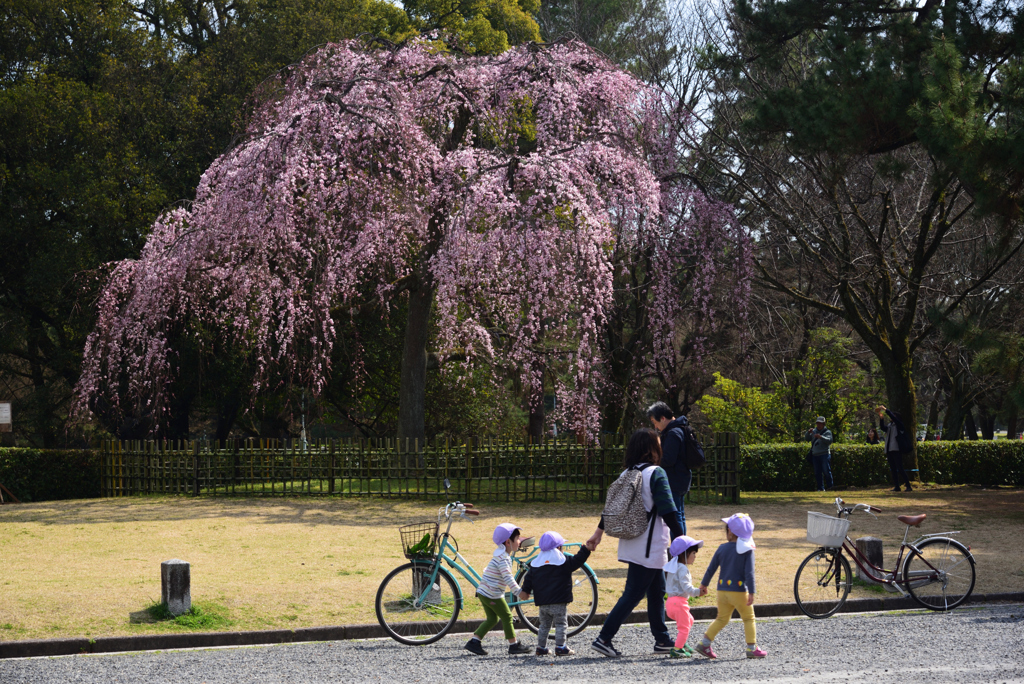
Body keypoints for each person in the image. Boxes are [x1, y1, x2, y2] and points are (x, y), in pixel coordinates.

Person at [586, 428, 685, 658]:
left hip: (631, 542)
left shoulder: (626, 473)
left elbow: (610, 509)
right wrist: (682, 540)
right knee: (633, 593)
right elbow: (669, 511)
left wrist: (598, 533)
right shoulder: (656, 473)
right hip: (650, 546)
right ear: (652, 448)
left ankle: (661, 639)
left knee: (656, 589)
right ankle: (604, 638)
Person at [695, 513, 767, 659]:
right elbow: (750, 573)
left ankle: (705, 643)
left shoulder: (722, 548)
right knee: (748, 618)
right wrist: (752, 592)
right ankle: (752, 648)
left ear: (730, 532)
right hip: (739, 592)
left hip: (722, 591)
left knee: (722, 618)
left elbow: (711, 568)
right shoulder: (748, 550)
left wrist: (704, 584)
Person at [518, 530, 592, 656]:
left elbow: (528, 579)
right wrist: (585, 550)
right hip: (559, 601)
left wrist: (525, 591)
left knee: (544, 626)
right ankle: (560, 646)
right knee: (561, 624)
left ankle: (541, 648)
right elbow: (578, 560)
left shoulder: (536, 564)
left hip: (543, 603)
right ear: (558, 547)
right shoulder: (563, 561)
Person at [464, 523, 533, 656]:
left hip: (485, 592)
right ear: (508, 542)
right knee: (507, 616)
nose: (519, 541)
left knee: (492, 619)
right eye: (517, 539)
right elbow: (508, 578)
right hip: (492, 594)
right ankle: (513, 645)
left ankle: (474, 642)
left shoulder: (502, 556)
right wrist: (519, 592)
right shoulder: (503, 559)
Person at [646, 401, 692, 533]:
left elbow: (668, 460)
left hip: (675, 479)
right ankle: (683, 549)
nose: (655, 426)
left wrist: (653, 458)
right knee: (680, 515)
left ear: (662, 418)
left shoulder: (673, 433)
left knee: (675, 517)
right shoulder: (680, 428)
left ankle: (680, 550)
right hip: (682, 477)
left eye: (655, 422)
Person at [664, 535, 703, 658]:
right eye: (693, 553)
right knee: (684, 627)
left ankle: (682, 643)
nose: (695, 556)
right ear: (684, 554)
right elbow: (687, 587)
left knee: (689, 620)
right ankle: (677, 649)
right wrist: (698, 592)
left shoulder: (673, 566)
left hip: (671, 602)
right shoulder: (682, 569)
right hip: (679, 603)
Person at [876, 405, 913, 492]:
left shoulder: (900, 425)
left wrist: (886, 410)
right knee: (893, 469)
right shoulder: (890, 426)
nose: (892, 417)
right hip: (889, 449)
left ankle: (908, 486)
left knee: (900, 468)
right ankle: (897, 486)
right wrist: (881, 419)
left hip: (896, 449)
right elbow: (883, 428)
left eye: (894, 416)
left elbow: (895, 419)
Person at [805, 416, 834, 491]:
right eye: (817, 423)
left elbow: (829, 440)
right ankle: (820, 488)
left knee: (826, 471)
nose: (818, 425)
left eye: (820, 423)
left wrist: (821, 437)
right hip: (815, 455)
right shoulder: (814, 431)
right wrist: (808, 433)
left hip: (824, 454)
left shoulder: (827, 432)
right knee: (817, 473)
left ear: (823, 424)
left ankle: (830, 487)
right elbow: (807, 439)